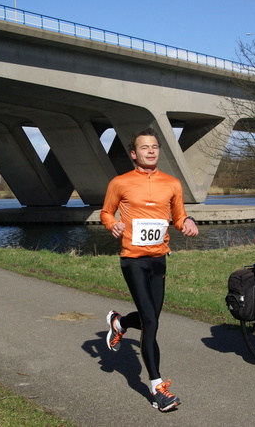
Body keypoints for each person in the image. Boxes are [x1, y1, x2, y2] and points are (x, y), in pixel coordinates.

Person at [100, 127, 199, 412]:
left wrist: (187, 222)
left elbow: (178, 216)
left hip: (159, 259)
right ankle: (157, 389)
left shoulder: (172, 183)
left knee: (150, 318)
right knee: (152, 324)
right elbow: (106, 212)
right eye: (145, 147)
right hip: (133, 259)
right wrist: (112, 224)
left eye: (155, 146)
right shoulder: (120, 182)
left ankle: (119, 323)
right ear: (134, 154)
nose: (151, 151)